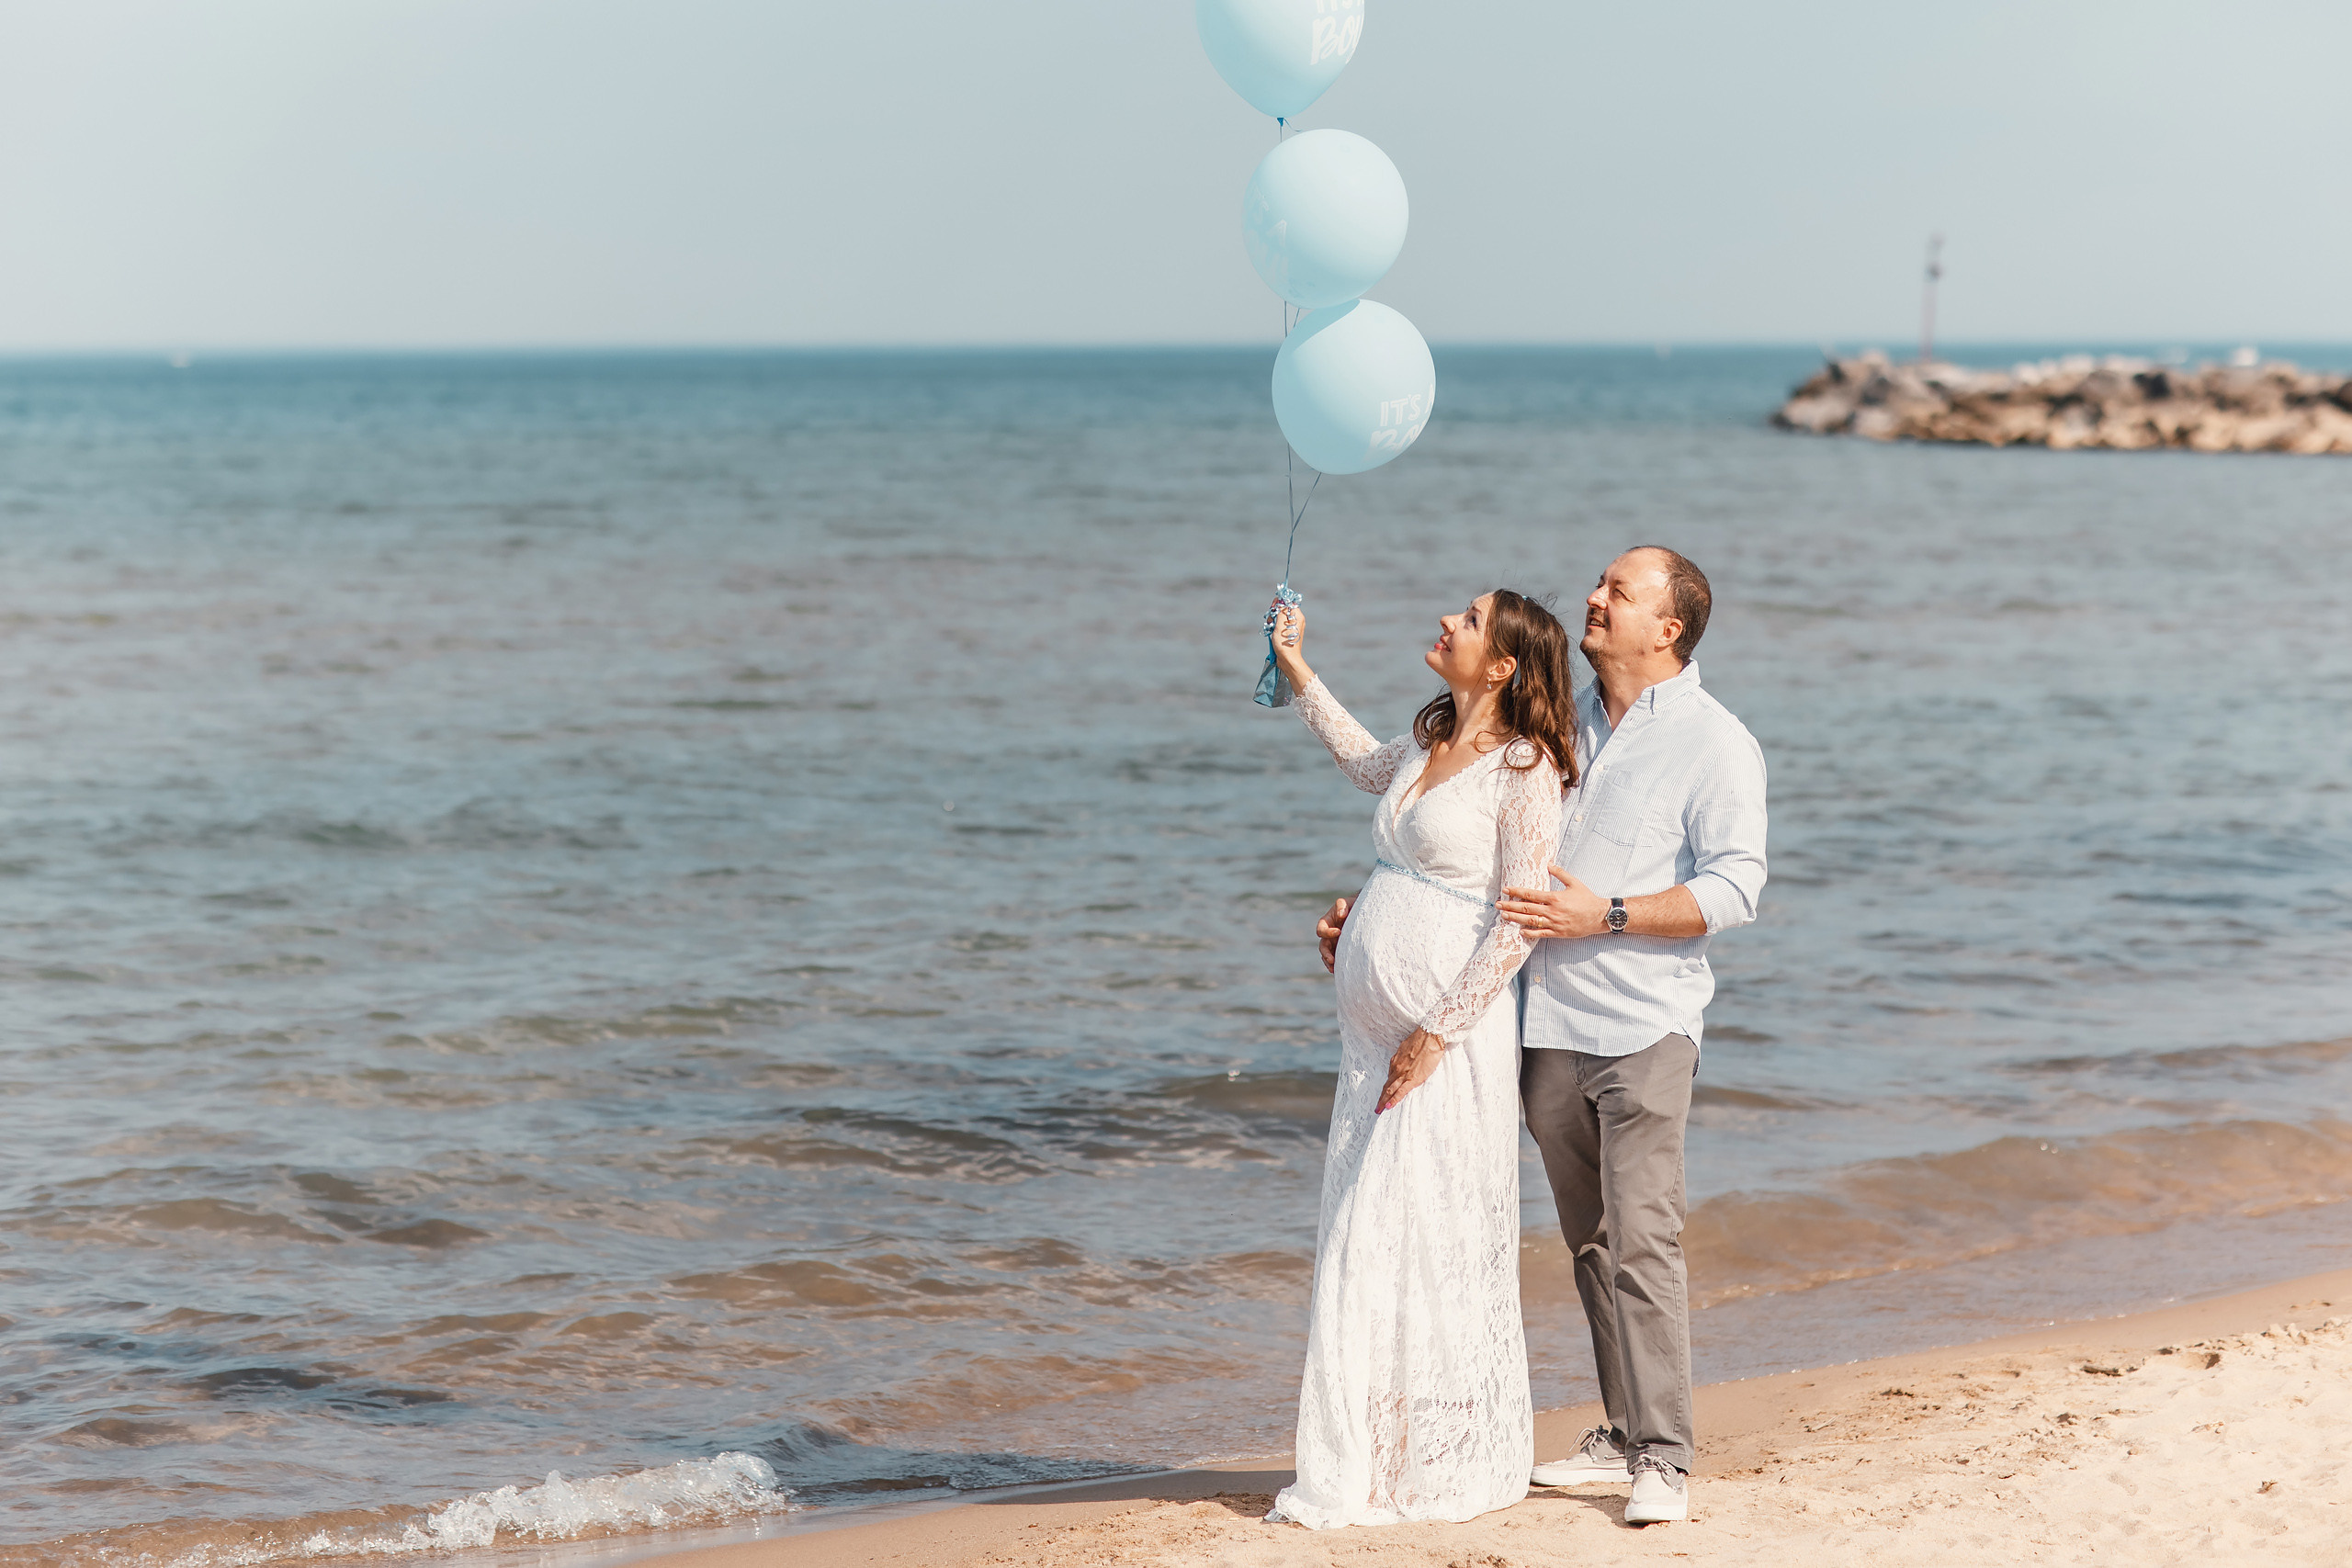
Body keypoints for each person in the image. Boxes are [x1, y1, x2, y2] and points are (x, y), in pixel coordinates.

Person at [1316, 547, 1766, 1527]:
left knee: (1645, 1237)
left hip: (1643, 1023)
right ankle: (1618, 1428)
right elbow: (1475, 858)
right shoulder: (1559, 724)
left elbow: (1737, 888)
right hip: (1538, 1026)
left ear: (1668, 629)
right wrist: (1384, 919)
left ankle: (1665, 1457)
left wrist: (1606, 914)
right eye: (1600, 585)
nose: (1593, 598)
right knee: (1590, 1242)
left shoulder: (1714, 743)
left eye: (1618, 592)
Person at [1262, 587, 1579, 1529]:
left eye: (1470, 619)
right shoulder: (1431, 735)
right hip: (1372, 1041)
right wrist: (1297, 672)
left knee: (1418, 1234)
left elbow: (1518, 923)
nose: (1448, 620)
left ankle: (1434, 1459)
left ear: (1503, 665)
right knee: (1368, 1230)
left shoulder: (1526, 768)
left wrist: (1438, 1029)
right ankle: (1370, 1451)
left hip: (1441, 1040)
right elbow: (1366, 768)